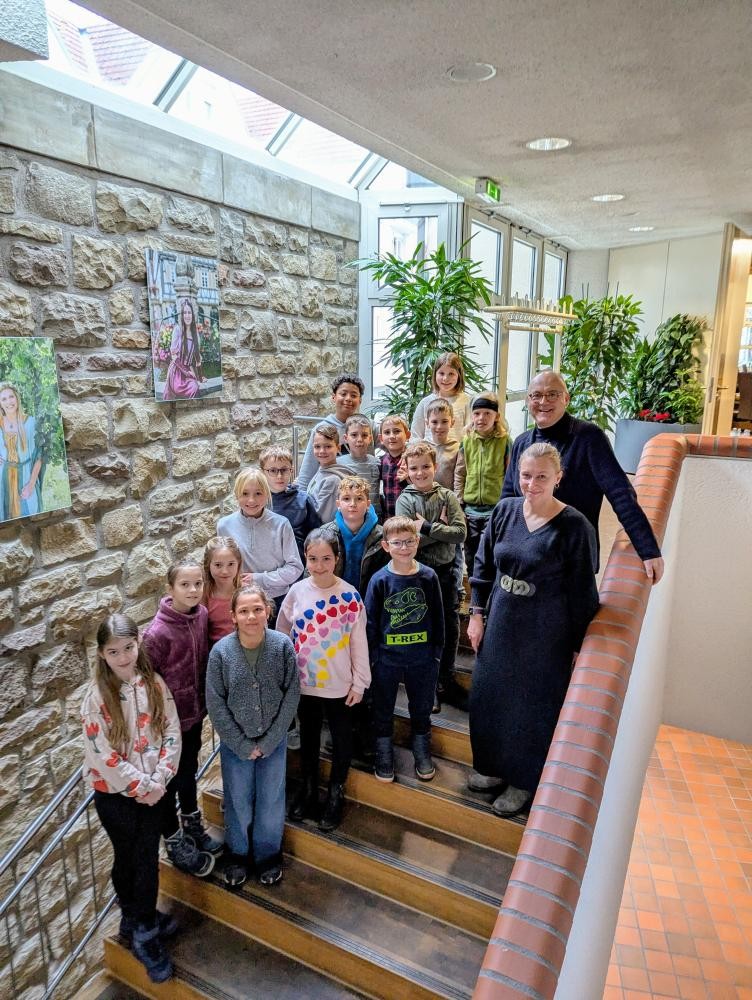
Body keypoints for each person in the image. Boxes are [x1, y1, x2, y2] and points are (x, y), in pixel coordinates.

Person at [467, 443, 600, 817]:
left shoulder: (575, 527)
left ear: (558, 477)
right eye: (526, 475)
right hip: (502, 621)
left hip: (545, 632)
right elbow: (482, 565)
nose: (532, 483)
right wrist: (476, 613)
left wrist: (577, 645)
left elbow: (583, 594)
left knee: (531, 706)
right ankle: (493, 767)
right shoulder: (505, 510)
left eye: (542, 476)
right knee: (489, 696)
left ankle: (524, 779)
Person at [82, 614, 181, 984]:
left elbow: (170, 728)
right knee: (133, 858)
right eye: (114, 651)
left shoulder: (153, 684)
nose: (123, 657)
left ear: (138, 644)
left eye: (128, 648)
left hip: (155, 789)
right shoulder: (96, 697)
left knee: (144, 857)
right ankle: (144, 932)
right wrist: (140, 785)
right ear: (102, 654)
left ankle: (136, 918)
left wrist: (161, 777)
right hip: (117, 797)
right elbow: (101, 754)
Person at [502, 370, 664, 582]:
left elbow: (621, 494)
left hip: (571, 557)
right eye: (536, 395)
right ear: (528, 400)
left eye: (552, 394)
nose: (543, 401)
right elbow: (508, 498)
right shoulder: (522, 442)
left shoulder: (588, 438)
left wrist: (648, 549)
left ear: (566, 399)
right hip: (528, 555)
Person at [206, 585, 300, 888]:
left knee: (272, 799)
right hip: (236, 745)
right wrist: (242, 744)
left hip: (274, 741)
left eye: (257, 609)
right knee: (238, 799)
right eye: (243, 611)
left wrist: (272, 739)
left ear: (268, 611)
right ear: (233, 616)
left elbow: (291, 694)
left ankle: (267, 854)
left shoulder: (282, 646)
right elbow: (215, 703)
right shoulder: (221, 653)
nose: (251, 616)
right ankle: (238, 853)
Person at [277, 528, 370, 833]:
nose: (319, 565)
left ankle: (335, 793)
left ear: (337, 559)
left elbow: (359, 643)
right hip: (305, 685)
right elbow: (283, 635)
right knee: (309, 738)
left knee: (342, 741)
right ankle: (308, 788)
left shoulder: (349, 596)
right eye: (313, 559)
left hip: (339, 686)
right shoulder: (297, 592)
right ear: (306, 558)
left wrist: (359, 682)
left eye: (326, 559)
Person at [142, 560, 221, 877]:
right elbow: (146, 684)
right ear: (170, 589)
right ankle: (173, 840)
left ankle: (193, 825)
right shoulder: (156, 634)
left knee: (189, 773)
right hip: (165, 727)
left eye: (198, 584)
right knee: (168, 783)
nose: (192, 590)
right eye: (185, 585)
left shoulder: (200, 615)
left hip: (193, 716)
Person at [365, 517, 444, 783]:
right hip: (387, 660)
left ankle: (421, 747)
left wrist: (436, 654)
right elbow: (371, 623)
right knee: (383, 707)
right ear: (386, 546)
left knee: (421, 707)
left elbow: (438, 618)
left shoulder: (428, 577)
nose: (404, 547)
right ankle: (384, 750)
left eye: (409, 541)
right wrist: (374, 657)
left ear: (417, 541)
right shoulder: (379, 580)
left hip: (422, 659)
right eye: (397, 542)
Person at [395, 442, 467, 711]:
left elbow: (460, 533)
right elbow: (404, 543)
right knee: (423, 630)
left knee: (449, 627)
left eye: (426, 466)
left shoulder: (447, 496)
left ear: (435, 467)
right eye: (414, 468)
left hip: (446, 573)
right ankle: (426, 685)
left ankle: (444, 680)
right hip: (418, 576)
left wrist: (425, 527)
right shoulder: (405, 499)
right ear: (407, 470)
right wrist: (441, 529)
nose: (421, 472)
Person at [217, 467, 303, 622]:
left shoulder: (281, 524)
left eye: (258, 493)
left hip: (277, 600)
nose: (251, 500)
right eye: (245, 494)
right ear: (236, 495)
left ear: (267, 494)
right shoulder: (224, 526)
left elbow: (295, 568)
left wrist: (260, 579)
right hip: (241, 601)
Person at [455, 392, 512, 572]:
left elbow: (511, 474)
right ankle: (476, 591)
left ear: (496, 417)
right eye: (477, 413)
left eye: (487, 413)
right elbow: (460, 472)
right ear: (472, 416)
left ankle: (491, 593)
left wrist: (507, 504)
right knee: (471, 554)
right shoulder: (467, 441)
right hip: (471, 510)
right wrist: (459, 502)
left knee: (492, 552)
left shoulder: (505, 441)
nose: (482, 418)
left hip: (495, 509)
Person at [296, 373, 366, 488]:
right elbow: (308, 469)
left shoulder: (368, 427)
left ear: (360, 400)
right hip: (330, 493)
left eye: (353, 395)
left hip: (361, 496)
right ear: (333, 397)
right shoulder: (321, 429)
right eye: (343, 394)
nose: (348, 399)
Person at [260, 445, 320, 563]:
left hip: (297, 565)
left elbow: (316, 535)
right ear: (263, 472)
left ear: (291, 470)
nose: (279, 476)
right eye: (272, 470)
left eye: (284, 470)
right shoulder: (257, 501)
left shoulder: (304, 500)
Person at [0, 383, 42, 521]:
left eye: (11, 397)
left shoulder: (31, 422)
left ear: (17, 398)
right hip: (3, 480)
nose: (8, 402)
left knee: (29, 517)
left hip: (25, 478)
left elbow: (39, 457)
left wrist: (31, 484)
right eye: (3, 399)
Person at [410, 352, 472, 445]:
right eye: (441, 373)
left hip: (456, 456)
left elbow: (470, 435)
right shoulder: (425, 402)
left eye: (451, 374)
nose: (445, 378)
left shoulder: (467, 401)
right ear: (435, 374)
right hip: (428, 456)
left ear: (459, 375)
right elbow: (415, 437)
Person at [305, 422, 350, 524]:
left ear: (338, 448)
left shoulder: (333, 480)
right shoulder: (322, 470)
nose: (322, 451)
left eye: (328, 446)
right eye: (317, 446)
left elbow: (322, 519)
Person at [202, 536, 243, 644]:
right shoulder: (203, 595)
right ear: (208, 565)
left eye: (230, 564)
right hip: (214, 651)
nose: (225, 571)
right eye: (218, 565)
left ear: (238, 564)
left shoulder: (247, 592)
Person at [163, 298, 205, 400]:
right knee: (191, 388)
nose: (187, 315)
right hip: (176, 371)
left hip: (188, 372)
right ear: (182, 315)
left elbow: (197, 361)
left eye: (189, 313)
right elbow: (173, 356)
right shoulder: (177, 330)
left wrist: (200, 377)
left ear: (192, 315)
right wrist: (187, 372)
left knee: (195, 386)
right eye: (185, 313)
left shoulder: (196, 335)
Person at [337, 415, 381, 507]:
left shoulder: (377, 463)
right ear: (345, 438)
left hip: (375, 516)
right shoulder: (339, 464)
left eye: (364, 435)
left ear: (370, 439)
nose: (360, 439)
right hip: (349, 514)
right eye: (354, 435)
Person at [378, 414, 410, 520]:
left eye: (397, 431)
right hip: (389, 518)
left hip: (409, 517)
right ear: (381, 438)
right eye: (387, 432)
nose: (392, 436)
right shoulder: (381, 461)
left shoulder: (412, 460)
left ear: (408, 435)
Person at [424, 398, 459, 489]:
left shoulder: (457, 448)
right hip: (424, 498)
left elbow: (460, 477)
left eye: (444, 422)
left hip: (448, 499)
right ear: (427, 423)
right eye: (434, 422)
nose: (439, 427)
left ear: (452, 422)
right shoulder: (422, 446)